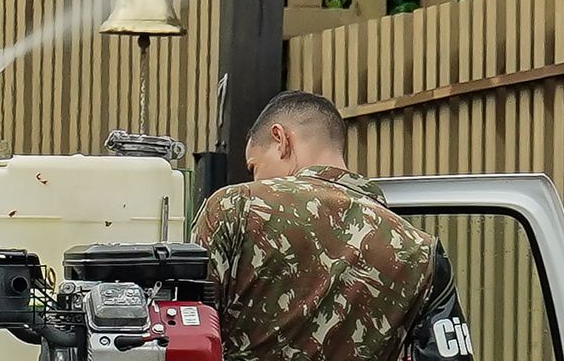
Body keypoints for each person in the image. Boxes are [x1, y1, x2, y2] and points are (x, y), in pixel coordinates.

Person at [192, 90, 473, 360]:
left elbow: (187, 333)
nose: (255, 179)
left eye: (254, 167)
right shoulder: (420, 252)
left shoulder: (235, 207)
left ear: (281, 139)